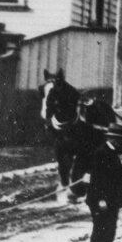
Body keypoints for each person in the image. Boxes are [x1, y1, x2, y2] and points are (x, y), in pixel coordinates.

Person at [68, 96, 122, 242]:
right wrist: (101, 199)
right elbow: (98, 180)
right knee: (101, 232)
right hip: (101, 201)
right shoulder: (102, 153)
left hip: (111, 202)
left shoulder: (111, 152)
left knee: (109, 233)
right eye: (119, 139)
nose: (121, 142)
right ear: (113, 139)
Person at [40, 68, 81, 202]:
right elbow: (48, 106)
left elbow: (75, 98)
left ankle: (76, 187)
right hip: (60, 127)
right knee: (62, 160)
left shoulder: (71, 92)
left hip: (72, 125)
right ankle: (64, 186)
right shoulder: (51, 93)